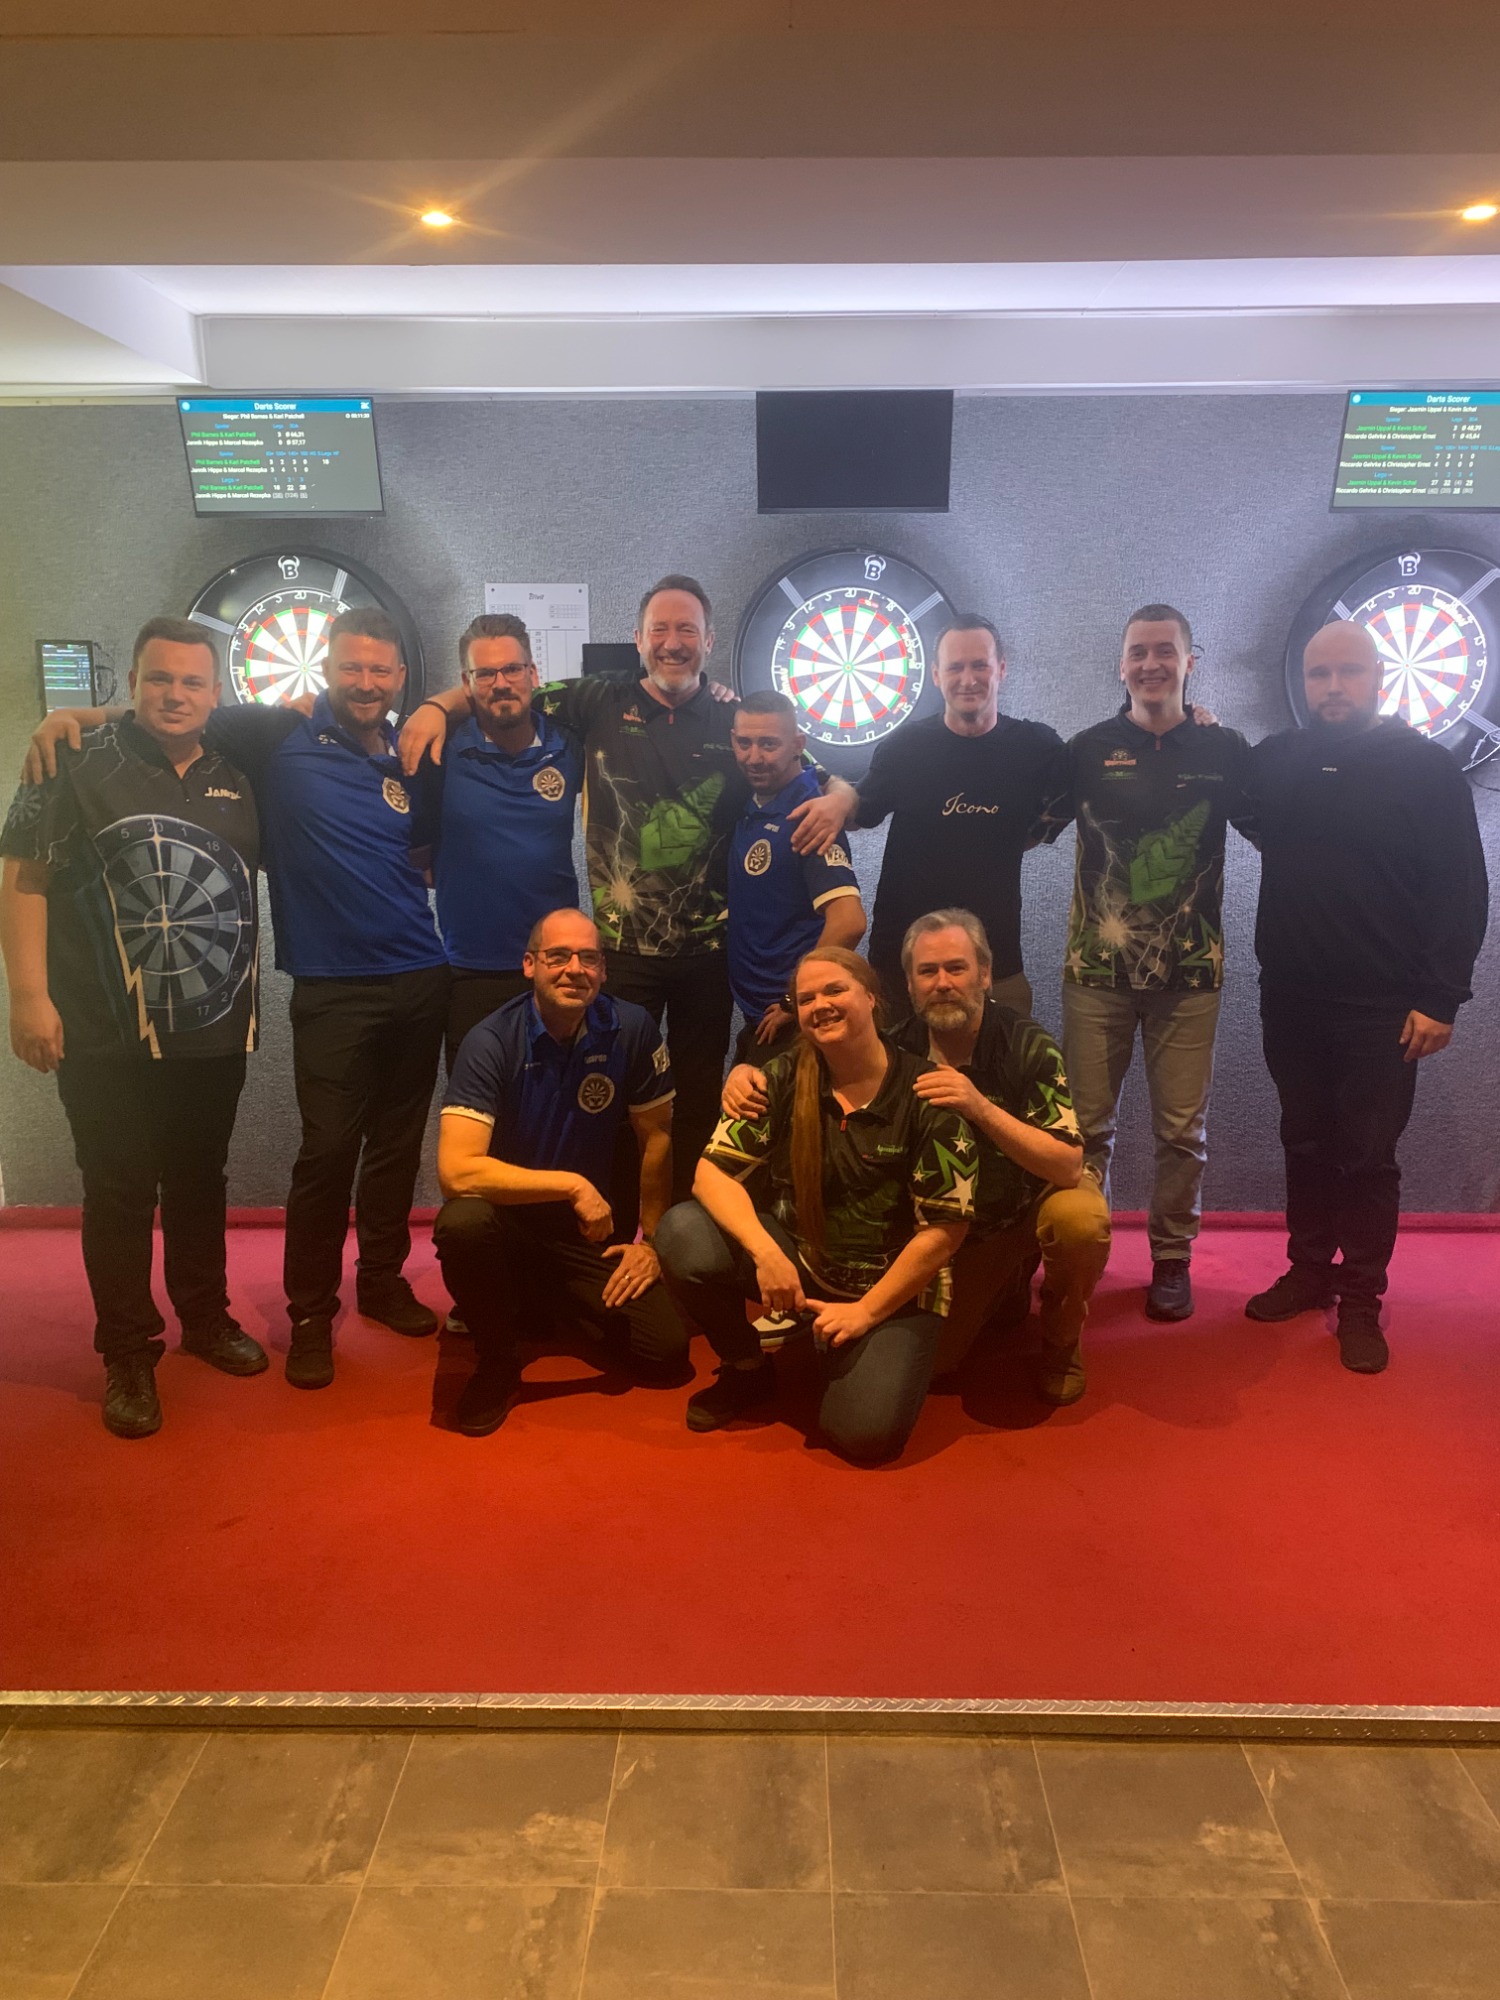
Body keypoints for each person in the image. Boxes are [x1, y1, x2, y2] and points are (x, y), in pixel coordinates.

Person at [29, 608, 450, 1385]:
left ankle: (380, 1282)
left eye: (379, 670)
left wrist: (442, 705)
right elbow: (168, 710)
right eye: (350, 667)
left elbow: (419, 848)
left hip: (415, 975)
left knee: (392, 1149)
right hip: (325, 989)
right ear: (326, 668)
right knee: (325, 1154)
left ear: (399, 677)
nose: (365, 682)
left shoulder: (410, 752)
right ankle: (308, 1315)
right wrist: (71, 717)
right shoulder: (273, 735)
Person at [401, 576, 854, 1203]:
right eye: (659, 629)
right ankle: (610, 1237)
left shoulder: (733, 718)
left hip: (708, 955)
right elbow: (506, 688)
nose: (673, 642)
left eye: (687, 629)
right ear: (638, 639)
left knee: (696, 1104)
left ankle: (686, 1232)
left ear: (709, 640)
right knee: (609, 1103)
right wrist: (435, 705)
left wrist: (842, 796)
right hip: (620, 951)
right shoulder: (596, 699)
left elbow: (807, 768)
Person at [1, 618, 266, 1437]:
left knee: (200, 1179)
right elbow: (24, 879)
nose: (174, 695)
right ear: (132, 685)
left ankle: (205, 1318)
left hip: (216, 1025)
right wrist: (28, 997)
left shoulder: (241, 768)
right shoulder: (72, 761)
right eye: (159, 679)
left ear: (216, 693)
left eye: (191, 682)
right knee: (118, 1189)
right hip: (104, 1027)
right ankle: (127, 1351)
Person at [725, 909, 1111, 1403]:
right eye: (928, 972)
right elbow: (816, 1059)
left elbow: (1067, 1165)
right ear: (909, 984)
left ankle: (1060, 1344)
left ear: (985, 974)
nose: (942, 983)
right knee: (936, 1369)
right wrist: (747, 1073)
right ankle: (1006, 1282)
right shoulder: (896, 1044)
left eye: (956, 968)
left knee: (1080, 1220)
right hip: (959, 1229)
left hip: (1027, 1202)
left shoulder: (1025, 1042)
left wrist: (978, 1107)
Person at [1243, 619, 1488, 1372]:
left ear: (1378, 678)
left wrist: (1442, 998)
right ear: (1304, 682)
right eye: (1320, 674)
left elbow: (1462, 889)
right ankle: (1310, 1270)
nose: (1333, 687)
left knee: (1368, 1157)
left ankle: (1360, 1299)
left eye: (1348, 672)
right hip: (1291, 996)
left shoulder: (1426, 768)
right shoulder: (1277, 761)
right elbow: (1224, 793)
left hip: (1384, 1009)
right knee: (1304, 1140)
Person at [655, 947, 974, 1465]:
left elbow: (945, 1233)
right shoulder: (780, 1075)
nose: (820, 1005)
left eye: (835, 990)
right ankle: (746, 1367)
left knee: (863, 1436)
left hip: (892, 1288)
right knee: (681, 1232)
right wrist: (766, 1254)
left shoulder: (927, 1093)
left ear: (871, 998)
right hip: (800, 1259)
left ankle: (842, 1344)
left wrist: (865, 1313)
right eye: (806, 999)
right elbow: (709, 1175)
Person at [1036, 603, 1253, 1324]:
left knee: (1182, 1134)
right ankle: (1082, 1254)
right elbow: (1022, 825)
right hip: (1095, 975)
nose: (1151, 663)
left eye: (1165, 651)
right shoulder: (1085, 750)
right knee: (1085, 1130)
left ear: (1191, 662)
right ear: (1121, 665)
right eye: (1138, 652)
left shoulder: (1225, 749)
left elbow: (1283, 827)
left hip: (1191, 975)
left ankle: (1172, 1258)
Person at [433, 907, 688, 1435]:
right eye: (558, 957)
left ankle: (541, 1296)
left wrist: (651, 1244)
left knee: (664, 1352)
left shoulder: (632, 1028)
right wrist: (572, 1185)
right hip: (508, 1225)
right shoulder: (490, 1040)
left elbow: (657, 1136)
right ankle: (498, 1360)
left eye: (588, 958)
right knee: (462, 1222)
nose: (575, 969)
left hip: (585, 1235)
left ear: (603, 970)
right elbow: (457, 1173)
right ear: (530, 965)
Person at [850, 615, 1064, 1012]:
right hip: (902, 967)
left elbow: (1079, 787)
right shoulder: (905, 747)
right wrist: (829, 790)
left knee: (1003, 1055)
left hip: (994, 965)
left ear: (1001, 668)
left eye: (979, 665)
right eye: (955, 667)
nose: (968, 679)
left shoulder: (1038, 748)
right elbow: (858, 813)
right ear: (936, 674)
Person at [429, 612, 582, 1068]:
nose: (501, 683)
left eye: (512, 669)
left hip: (555, 968)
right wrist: (433, 708)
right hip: (470, 970)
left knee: (556, 1101)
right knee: (474, 1104)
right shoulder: (441, 749)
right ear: (466, 683)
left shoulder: (569, 745)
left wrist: (715, 693)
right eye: (485, 673)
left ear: (533, 673)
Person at [726, 688, 865, 1064]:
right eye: (744, 743)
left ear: (797, 745)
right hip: (759, 1014)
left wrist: (796, 997)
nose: (754, 757)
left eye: (769, 744)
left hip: (793, 1020)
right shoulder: (756, 802)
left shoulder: (811, 816)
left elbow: (849, 922)